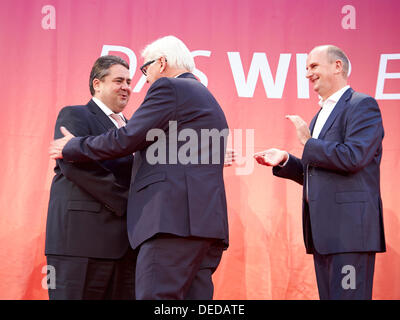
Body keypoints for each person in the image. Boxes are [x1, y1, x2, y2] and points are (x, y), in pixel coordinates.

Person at [49, 35, 229, 300]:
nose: (144, 80)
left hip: (172, 224)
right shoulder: (206, 98)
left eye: (145, 70)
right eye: (119, 80)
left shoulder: (170, 88)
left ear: (163, 63)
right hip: (202, 228)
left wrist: (72, 147)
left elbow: (127, 138)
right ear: (97, 84)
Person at [254, 45, 386, 300]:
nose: (307, 74)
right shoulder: (319, 116)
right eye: (306, 68)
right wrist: (286, 161)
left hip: (349, 235)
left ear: (337, 66)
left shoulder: (362, 105)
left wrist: (308, 142)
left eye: (313, 66)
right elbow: (317, 174)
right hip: (324, 233)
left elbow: (354, 157)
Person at [45, 55, 136, 300]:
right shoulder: (75, 115)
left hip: (126, 249)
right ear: (97, 84)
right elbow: (76, 166)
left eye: (129, 81)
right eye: (119, 80)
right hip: (80, 246)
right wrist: (130, 202)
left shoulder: (134, 128)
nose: (126, 87)